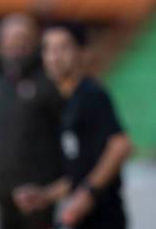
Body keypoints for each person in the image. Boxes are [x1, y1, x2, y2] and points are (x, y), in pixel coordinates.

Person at [13, 22, 132, 229]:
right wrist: (45, 196)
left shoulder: (91, 94)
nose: (54, 57)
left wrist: (88, 194)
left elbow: (120, 145)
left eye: (63, 48)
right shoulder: (67, 104)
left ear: (83, 53)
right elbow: (79, 177)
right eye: (48, 48)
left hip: (104, 219)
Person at [0, 13, 63, 229]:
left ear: (34, 42)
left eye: (21, 38)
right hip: (3, 188)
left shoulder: (49, 80)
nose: (15, 45)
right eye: (8, 40)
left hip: (37, 191)